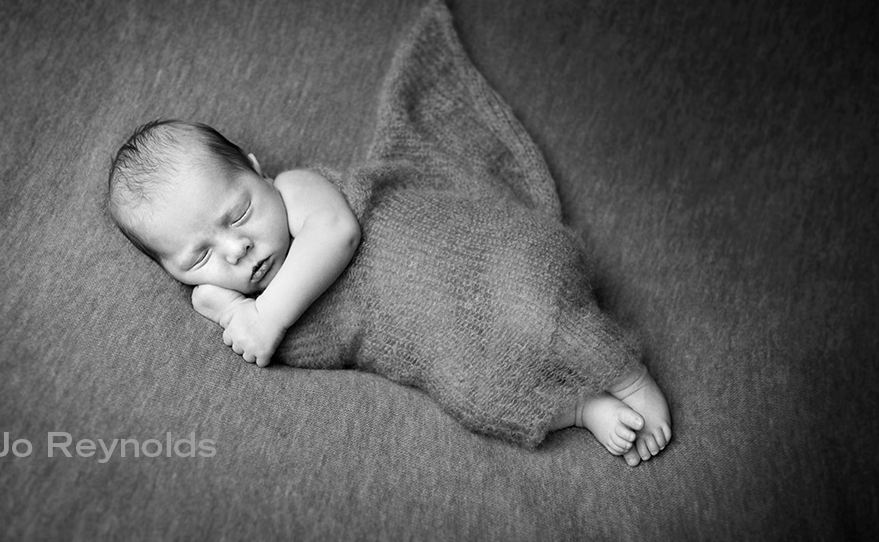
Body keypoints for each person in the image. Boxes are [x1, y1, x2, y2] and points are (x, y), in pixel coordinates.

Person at [107, 119, 671, 466]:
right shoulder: (234, 296)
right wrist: (225, 305)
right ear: (172, 271)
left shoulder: (298, 193)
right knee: (478, 397)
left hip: (477, 258)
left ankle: (627, 375)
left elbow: (339, 234)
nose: (235, 250)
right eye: (198, 257)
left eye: (239, 213)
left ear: (258, 172)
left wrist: (266, 315)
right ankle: (581, 408)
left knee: (541, 307)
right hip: (434, 336)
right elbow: (268, 331)